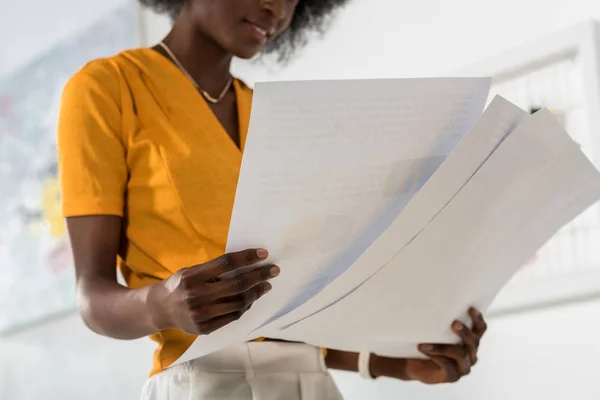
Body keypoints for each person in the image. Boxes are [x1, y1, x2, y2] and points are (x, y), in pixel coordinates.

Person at [57, 0, 488, 398]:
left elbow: (282, 312)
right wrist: (161, 304)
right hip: (200, 383)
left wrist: (398, 364)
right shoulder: (105, 90)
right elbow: (91, 297)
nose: (277, 10)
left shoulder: (272, 115)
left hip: (309, 384)